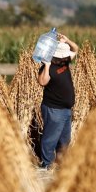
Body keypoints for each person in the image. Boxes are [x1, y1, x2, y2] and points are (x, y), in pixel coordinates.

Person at [37, 32, 79, 168]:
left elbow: (76, 49)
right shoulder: (47, 67)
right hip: (54, 109)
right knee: (51, 138)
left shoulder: (64, 62)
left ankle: (62, 164)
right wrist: (47, 65)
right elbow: (42, 82)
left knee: (64, 140)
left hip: (66, 110)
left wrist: (67, 40)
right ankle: (46, 164)